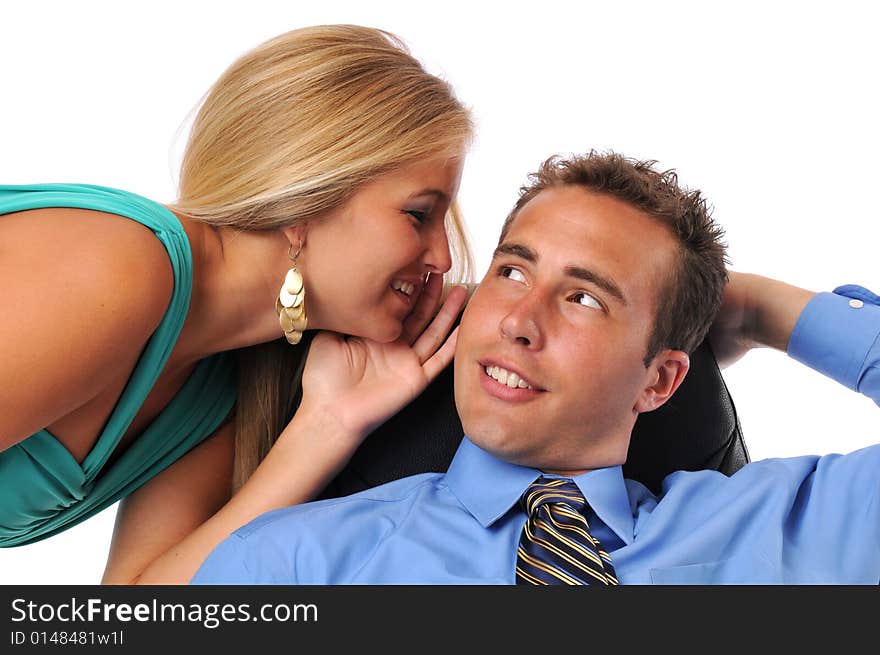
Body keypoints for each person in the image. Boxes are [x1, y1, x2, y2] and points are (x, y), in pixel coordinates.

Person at [192, 151, 880, 585]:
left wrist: (759, 307)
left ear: (661, 379)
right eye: (512, 270)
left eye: (583, 297)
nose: (519, 320)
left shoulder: (782, 526)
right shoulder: (291, 566)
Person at [0, 24, 474, 585]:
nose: (442, 259)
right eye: (419, 215)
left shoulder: (221, 383)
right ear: (304, 196)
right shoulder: (122, 269)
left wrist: (328, 423)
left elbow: (138, 613)